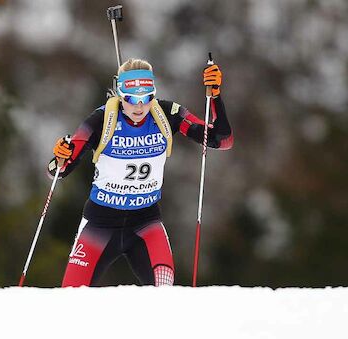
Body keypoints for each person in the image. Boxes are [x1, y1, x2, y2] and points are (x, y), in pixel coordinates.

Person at [49, 58, 233, 287]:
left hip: (146, 224)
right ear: (119, 95)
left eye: (146, 99)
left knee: (163, 291)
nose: (139, 107)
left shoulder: (167, 114)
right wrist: (60, 156)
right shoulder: (101, 120)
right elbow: (59, 170)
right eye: (131, 99)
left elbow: (222, 140)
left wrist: (214, 95)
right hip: (100, 224)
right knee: (71, 298)